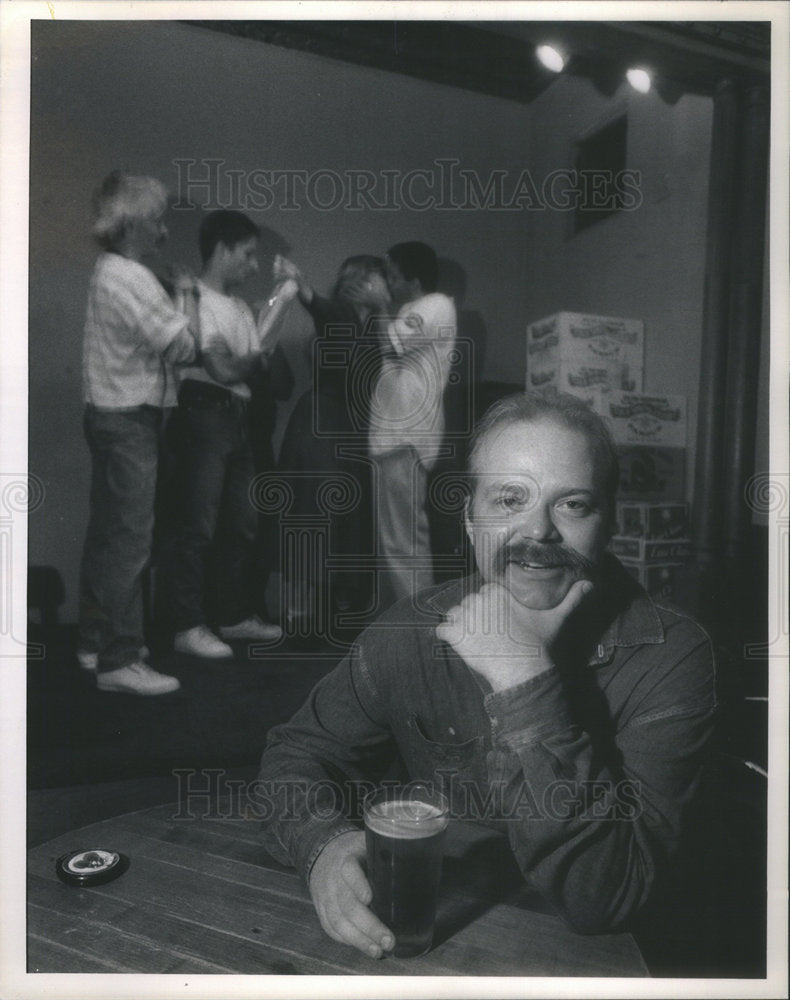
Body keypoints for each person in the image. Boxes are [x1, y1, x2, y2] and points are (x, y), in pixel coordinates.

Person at [257, 390, 716, 958]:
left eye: (572, 504)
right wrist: (321, 848)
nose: (538, 532)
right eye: (508, 500)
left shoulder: (673, 653)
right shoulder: (408, 632)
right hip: (441, 934)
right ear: (471, 522)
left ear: (609, 523)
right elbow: (295, 756)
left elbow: (605, 898)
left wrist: (524, 679)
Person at [77, 172, 200, 695]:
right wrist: (189, 295)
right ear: (132, 223)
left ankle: (97, 642)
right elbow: (185, 347)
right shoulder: (130, 276)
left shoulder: (113, 271)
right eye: (156, 219)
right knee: (129, 539)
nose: (164, 231)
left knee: (109, 534)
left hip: (109, 414)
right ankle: (119, 661)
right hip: (129, 419)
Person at [167, 210, 297, 658]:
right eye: (247, 254)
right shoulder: (190, 298)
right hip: (203, 412)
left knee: (243, 525)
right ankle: (187, 624)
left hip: (240, 417)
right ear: (222, 250)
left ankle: (231, 615)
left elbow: (276, 383)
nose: (254, 265)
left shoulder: (242, 309)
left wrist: (268, 338)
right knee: (197, 525)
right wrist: (250, 360)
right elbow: (219, 368)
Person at [274, 254, 390, 624]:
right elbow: (322, 309)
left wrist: (384, 310)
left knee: (351, 519)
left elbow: (390, 364)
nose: (387, 285)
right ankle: (299, 614)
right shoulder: (339, 316)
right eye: (379, 278)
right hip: (322, 422)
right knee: (314, 512)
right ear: (361, 281)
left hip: (354, 429)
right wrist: (303, 288)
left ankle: (335, 611)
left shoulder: (377, 325)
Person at [368, 241, 457, 607]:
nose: (387, 283)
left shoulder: (434, 305)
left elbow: (391, 345)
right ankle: (399, 627)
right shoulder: (410, 309)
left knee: (404, 542)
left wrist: (377, 306)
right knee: (394, 541)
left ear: (414, 280)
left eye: (392, 275)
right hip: (394, 437)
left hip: (405, 438)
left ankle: (417, 627)